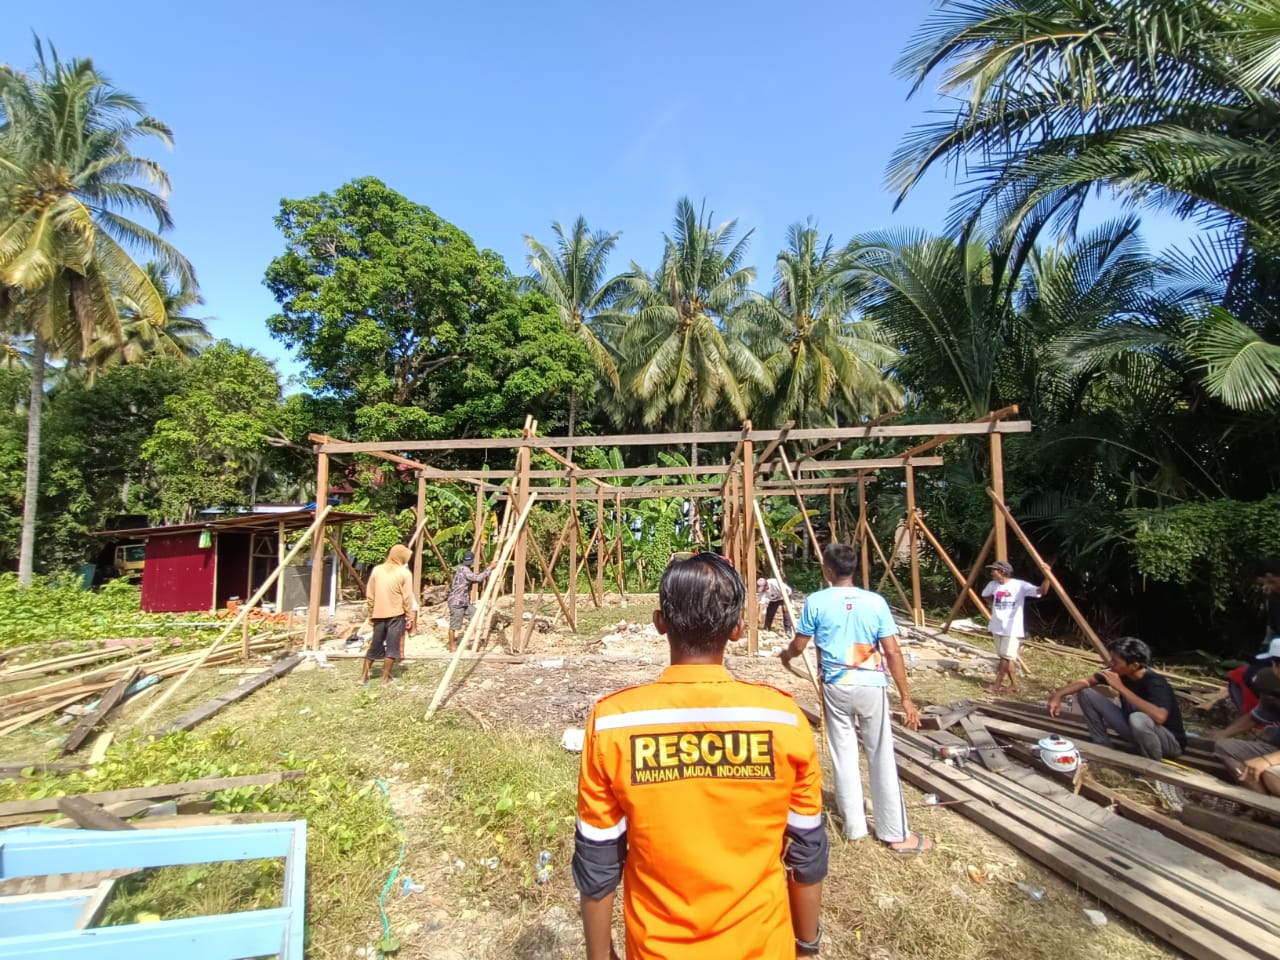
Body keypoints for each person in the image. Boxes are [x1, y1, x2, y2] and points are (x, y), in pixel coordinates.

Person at [573, 553, 828, 960]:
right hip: (763, 947)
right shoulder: (782, 719)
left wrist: (599, 956)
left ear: (660, 623)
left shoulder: (613, 724)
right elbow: (807, 852)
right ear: (737, 629)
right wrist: (807, 945)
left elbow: (597, 861)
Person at [781, 542, 931, 854]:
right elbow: (892, 650)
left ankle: (854, 827)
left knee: (843, 754)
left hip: (836, 684)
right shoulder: (875, 602)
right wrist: (905, 698)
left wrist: (787, 657)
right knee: (881, 755)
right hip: (871, 685)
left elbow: (799, 644)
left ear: (828, 570)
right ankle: (894, 832)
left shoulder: (817, 602)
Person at [1048, 636, 1187, 761]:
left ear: (1134, 666)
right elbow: (1086, 681)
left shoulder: (1155, 683)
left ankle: (1153, 766)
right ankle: (1103, 747)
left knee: (1138, 718)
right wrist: (1058, 695)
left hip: (1169, 743)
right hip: (1136, 733)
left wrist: (1121, 688)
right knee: (1086, 693)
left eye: (1115, 662)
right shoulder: (1119, 673)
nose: (1111, 664)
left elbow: (1159, 717)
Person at [1212, 638, 1280, 795]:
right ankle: (1264, 804)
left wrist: (1266, 761)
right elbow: (1255, 716)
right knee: (1225, 747)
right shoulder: (1274, 690)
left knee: (1272, 775)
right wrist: (1223, 734)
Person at [980, 560, 1050, 695]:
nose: (991, 573)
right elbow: (985, 596)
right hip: (997, 625)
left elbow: (1041, 591)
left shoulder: (1019, 586)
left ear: (1002, 572)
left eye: (994, 570)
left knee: (1005, 657)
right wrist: (992, 604)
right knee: (1005, 656)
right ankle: (1013, 685)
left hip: (1011, 628)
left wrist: (1047, 577)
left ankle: (996, 685)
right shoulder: (993, 585)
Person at [361, 544, 415, 687]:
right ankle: (385, 679)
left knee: (374, 645)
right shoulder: (405, 574)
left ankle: (363, 677)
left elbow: (370, 594)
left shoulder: (377, 570)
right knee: (392, 647)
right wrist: (409, 617)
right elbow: (407, 598)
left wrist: (371, 613)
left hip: (378, 614)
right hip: (396, 615)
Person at [447, 551, 495, 652]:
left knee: (474, 614)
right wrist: (489, 568)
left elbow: (472, 578)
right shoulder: (465, 570)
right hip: (457, 603)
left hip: (463, 602)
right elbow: (477, 579)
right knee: (454, 626)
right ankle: (452, 646)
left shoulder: (462, 568)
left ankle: (473, 636)